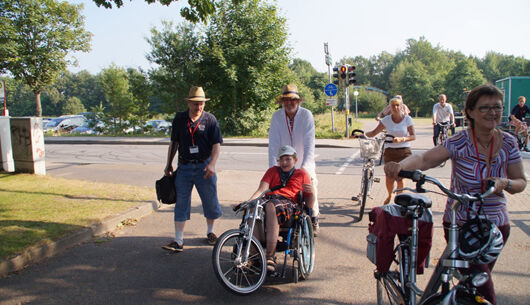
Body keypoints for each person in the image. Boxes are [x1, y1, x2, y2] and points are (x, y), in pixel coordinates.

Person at [384, 84, 526, 305]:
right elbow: (424, 159)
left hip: (496, 227)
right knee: (480, 284)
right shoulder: (459, 142)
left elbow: (521, 183)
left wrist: (504, 182)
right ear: (470, 112)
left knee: (474, 281)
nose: (492, 113)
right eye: (485, 108)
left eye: (497, 107)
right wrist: (400, 166)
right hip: (461, 224)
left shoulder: (509, 142)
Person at [162, 86, 223, 253]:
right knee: (181, 202)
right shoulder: (180, 119)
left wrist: (212, 164)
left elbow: (216, 146)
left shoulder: (210, 120)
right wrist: (168, 164)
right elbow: (174, 143)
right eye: (195, 103)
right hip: (184, 167)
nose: (198, 107)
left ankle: (210, 232)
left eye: (201, 103)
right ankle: (178, 240)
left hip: (205, 167)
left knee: (210, 200)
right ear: (189, 103)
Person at [248, 145, 315, 272]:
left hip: (289, 205)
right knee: (253, 208)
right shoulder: (272, 171)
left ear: (295, 160)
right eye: (281, 159)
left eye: (288, 159)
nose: (284, 163)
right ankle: (253, 255)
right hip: (268, 200)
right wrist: (248, 203)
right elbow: (261, 190)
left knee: (271, 206)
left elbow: (309, 204)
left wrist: (312, 193)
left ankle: (270, 256)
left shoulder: (301, 174)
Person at [268, 84, 320, 235]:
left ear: (298, 101)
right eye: (286, 100)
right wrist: (273, 168)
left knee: (310, 187)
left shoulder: (306, 115)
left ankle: (314, 217)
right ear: (282, 102)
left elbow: (310, 144)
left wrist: (305, 168)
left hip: (303, 161)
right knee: (282, 191)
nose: (290, 103)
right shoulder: (277, 117)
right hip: (283, 164)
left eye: (293, 100)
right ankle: (286, 219)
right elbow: (273, 145)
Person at [366, 96, 415, 204]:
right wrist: (362, 135)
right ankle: (389, 195)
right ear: (390, 107)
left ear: (401, 106)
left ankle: (399, 198)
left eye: (398, 105)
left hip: (404, 151)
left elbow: (413, 136)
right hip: (390, 152)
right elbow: (374, 132)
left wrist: (402, 139)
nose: (395, 107)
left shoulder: (407, 119)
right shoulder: (386, 120)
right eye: (393, 106)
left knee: (401, 177)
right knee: (389, 177)